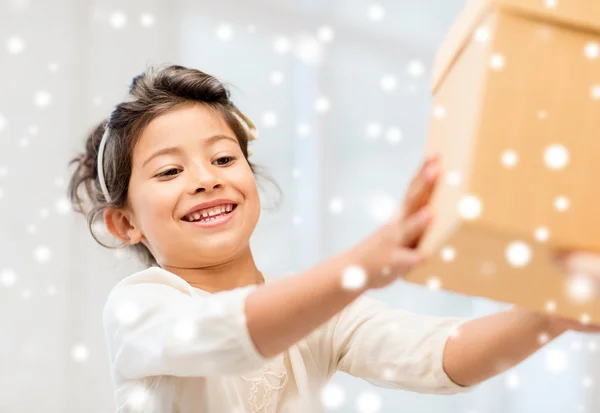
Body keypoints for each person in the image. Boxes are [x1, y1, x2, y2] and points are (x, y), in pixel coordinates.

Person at [67, 64, 599, 413]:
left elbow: (439, 356)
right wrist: (364, 264)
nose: (206, 178)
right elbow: (231, 334)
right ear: (125, 224)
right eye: (168, 172)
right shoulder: (139, 307)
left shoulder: (316, 309)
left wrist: (547, 316)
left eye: (224, 158)